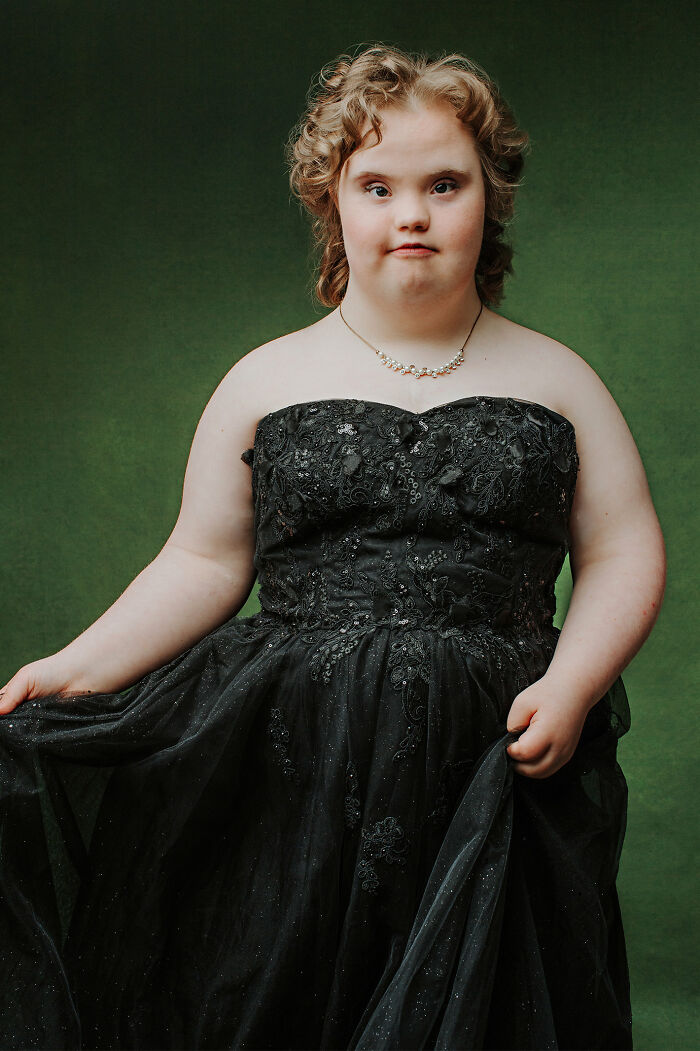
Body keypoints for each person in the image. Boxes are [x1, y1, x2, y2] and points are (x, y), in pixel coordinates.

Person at [0, 43, 665, 1051]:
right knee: (290, 985)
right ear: (330, 199)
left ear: (489, 197)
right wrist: (75, 666)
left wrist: (573, 683)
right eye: (377, 185)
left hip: (494, 756)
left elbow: (622, 550)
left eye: (444, 183)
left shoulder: (557, 379)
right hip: (295, 755)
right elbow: (203, 562)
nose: (412, 213)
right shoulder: (266, 380)